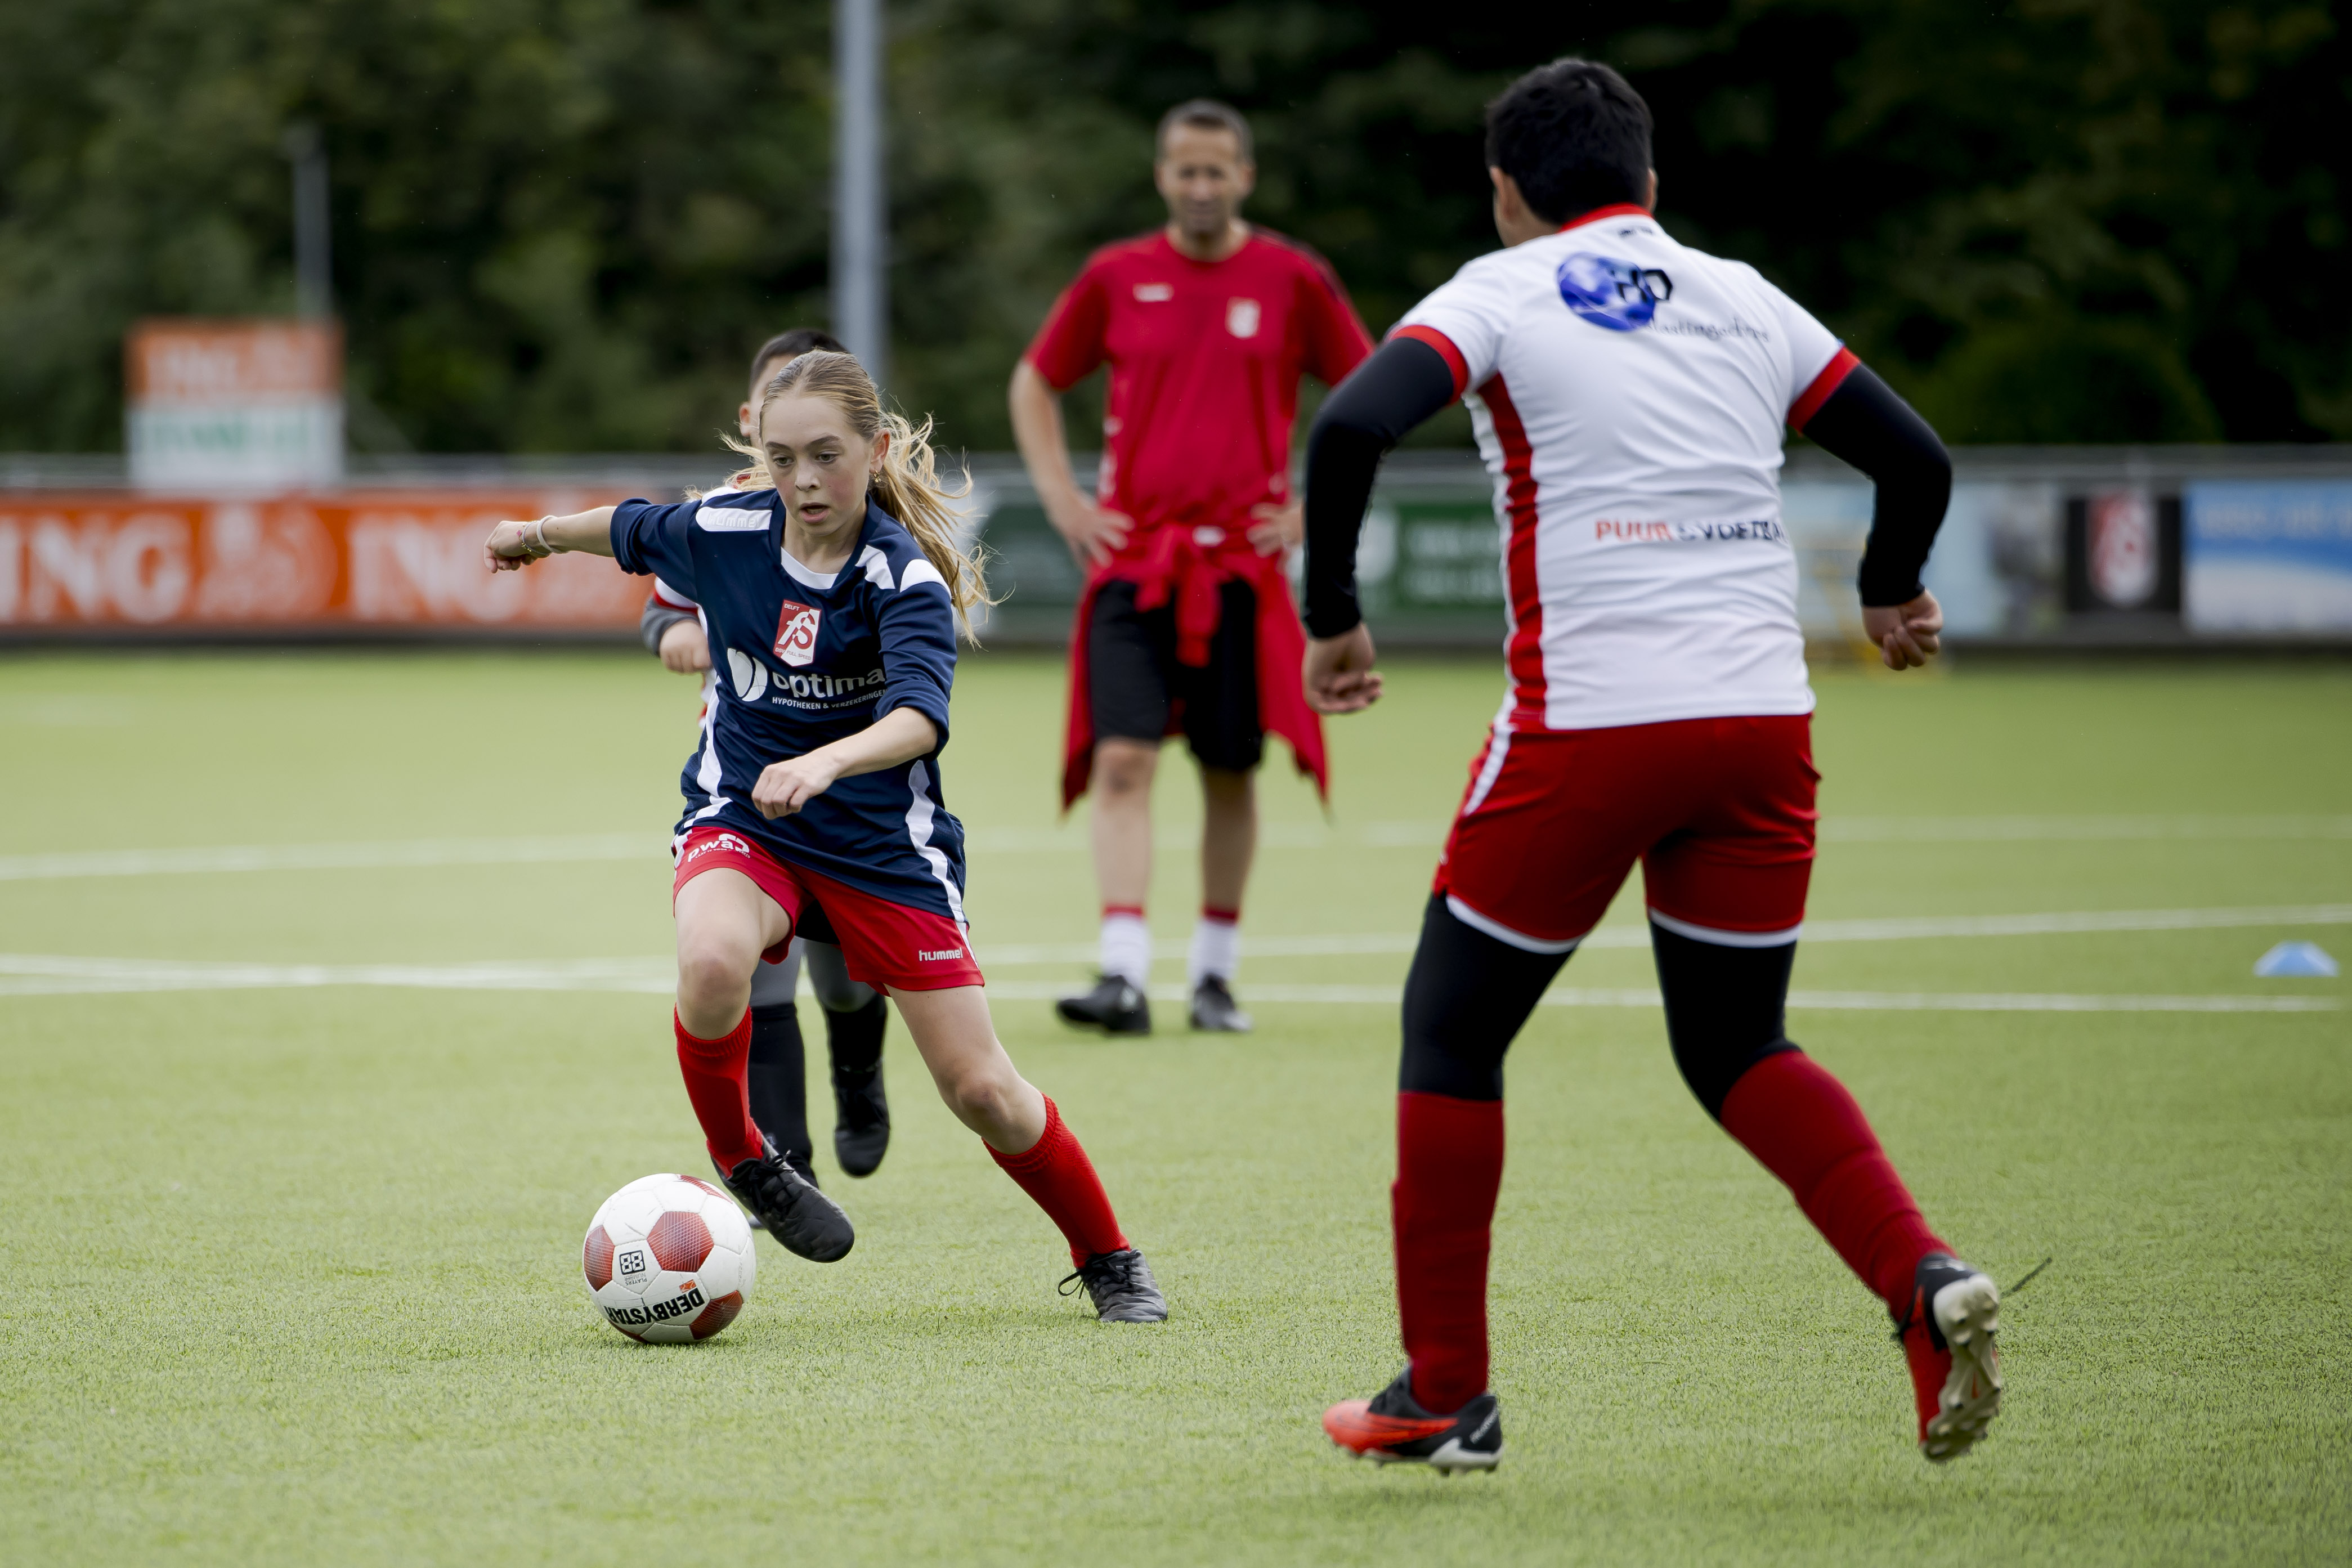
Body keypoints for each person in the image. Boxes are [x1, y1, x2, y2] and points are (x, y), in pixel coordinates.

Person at [1300, 59, 1995, 1468]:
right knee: (1737, 1042)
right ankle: (1919, 1276)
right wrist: (1886, 588)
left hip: (1592, 724)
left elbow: (1349, 425)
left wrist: (1331, 620)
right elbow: (1914, 457)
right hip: (1760, 728)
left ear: (1504, 191)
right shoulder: (1743, 295)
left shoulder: (1496, 292)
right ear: (1651, 185)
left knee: (1451, 1032)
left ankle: (1444, 1392)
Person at [483, 351, 1167, 1322]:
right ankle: (746, 1159)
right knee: (712, 960)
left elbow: (920, 716)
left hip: (882, 848)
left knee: (982, 1089)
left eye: (826, 456)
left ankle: (1109, 1257)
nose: (803, 479)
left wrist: (827, 762)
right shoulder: (726, 527)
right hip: (744, 816)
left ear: (875, 450)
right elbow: (628, 526)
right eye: (782, 457)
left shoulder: (900, 574)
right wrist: (535, 537)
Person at [1010, 98, 1374, 1036]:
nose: (1201, 186)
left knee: (1229, 769)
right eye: (1186, 170)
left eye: (1218, 170)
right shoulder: (1116, 275)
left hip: (1240, 574)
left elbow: (1370, 391)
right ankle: (1123, 973)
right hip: (1135, 566)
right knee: (1122, 759)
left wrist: (1312, 509)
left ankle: (1214, 976)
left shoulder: (1293, 277)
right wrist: (1065, 502)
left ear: (1244, 177)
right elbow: (1036, 379)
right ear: (1162, 175)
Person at [642, 327, 891, 1191]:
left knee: (846, 976)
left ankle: (860, 1077)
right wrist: (674, 632)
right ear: (751, 420)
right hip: (750, 786)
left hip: (850, 792)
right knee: (759, 975)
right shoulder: (723, 518)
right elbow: (663, 602)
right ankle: (786, 1167)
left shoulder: (873, 534)